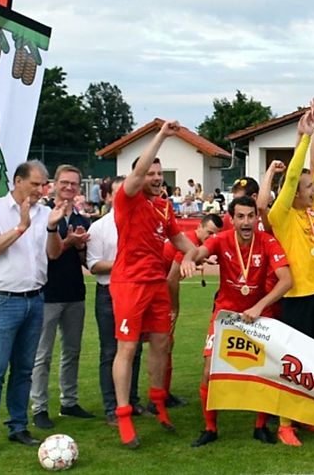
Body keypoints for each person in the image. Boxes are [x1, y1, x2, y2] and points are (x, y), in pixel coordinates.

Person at [110, 121, 199, 448]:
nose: (156, 177)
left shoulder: (164, 206)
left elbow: (179, 238)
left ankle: (158, 403)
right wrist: (162, 135)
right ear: (139, 175)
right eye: (151, 173)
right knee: (128, 348)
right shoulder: (127, 198)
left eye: (160, 174)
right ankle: (123, 415)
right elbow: (137, 174)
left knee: (162, 343)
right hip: (129, 282)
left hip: (156, 284)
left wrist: (194, 255)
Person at [180, 196, 293, 447]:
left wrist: (260, 305)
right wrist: (189, 258)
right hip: (225, 316)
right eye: (240, 216)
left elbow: (286, 280)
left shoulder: (267, 241)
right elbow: (199, 250)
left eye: (250, 216)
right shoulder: (222, 239)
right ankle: (210, 428)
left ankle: (260, 426)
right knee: (209, 372)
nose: (246, 221)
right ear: (232, 219)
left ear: (255, 218)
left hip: (258, 317)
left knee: (263, 372)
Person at [0, 161, 65, 459]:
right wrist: (21, 227)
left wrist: (51, 227)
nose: (41, 190)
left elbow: (53, 254)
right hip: (0, 300)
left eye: (44, 184)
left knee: (24, 370)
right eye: (35, 184)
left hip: (35, 299)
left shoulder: (45, 212)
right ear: (18, 181)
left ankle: (18, 426)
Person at [258, 97, 314, 446]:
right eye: (308, 189)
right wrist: (303, 139)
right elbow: (293, 177)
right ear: (293, 194)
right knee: (292, 362)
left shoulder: (311, 210)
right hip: (297, 298)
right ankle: (285, 421)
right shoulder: (282, 216)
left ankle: (307, 416)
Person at [30, 165, 94, 430]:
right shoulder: (43, 216)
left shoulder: (82, 219)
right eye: (65, 183)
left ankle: (69, 401)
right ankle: (39, 408)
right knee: (42, 355)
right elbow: (48, 254)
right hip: (47, 293)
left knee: (72, 351)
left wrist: (80, 247)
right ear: (54, 184)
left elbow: (86, 261)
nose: (69, 188)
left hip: (74, 292)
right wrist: (68, 242)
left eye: (74, 184)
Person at [86, 176, 146, 427]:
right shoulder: (99, 227)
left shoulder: (140, 222)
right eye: (119, 193)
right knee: (111, 351)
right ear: (109, 197)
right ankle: (112, 406)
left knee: (136, 349)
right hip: (109, 293)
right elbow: (94, 266)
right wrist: (124, 263)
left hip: (136, 292)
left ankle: (131, 400)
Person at [160, 214, 223, 409]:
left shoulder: (193, 242)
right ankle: (160, 396)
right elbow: (171, 278)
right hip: (157, 293)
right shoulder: (189, 243)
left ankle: (163, 394)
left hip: (157, 290)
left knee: (165, 344)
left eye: (215, 235)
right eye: (209, 233)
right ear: (200, 227)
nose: (211, 238)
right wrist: (174, 309)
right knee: (163, 343)